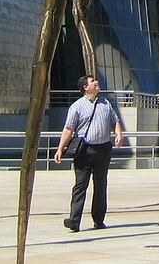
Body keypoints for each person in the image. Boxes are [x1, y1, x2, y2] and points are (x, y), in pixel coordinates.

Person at [54, 75, 124, 232]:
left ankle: (99, 219)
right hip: (84, 150)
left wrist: (119, 134)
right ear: (85, 87)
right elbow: (68, 129)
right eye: (93, 82)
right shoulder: (77, 107)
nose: (96, 83)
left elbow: (115, 121)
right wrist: (60, 148)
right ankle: (74, 220)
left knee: (100, 185)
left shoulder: (105, 103)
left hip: (103, 149)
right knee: (80, 185)